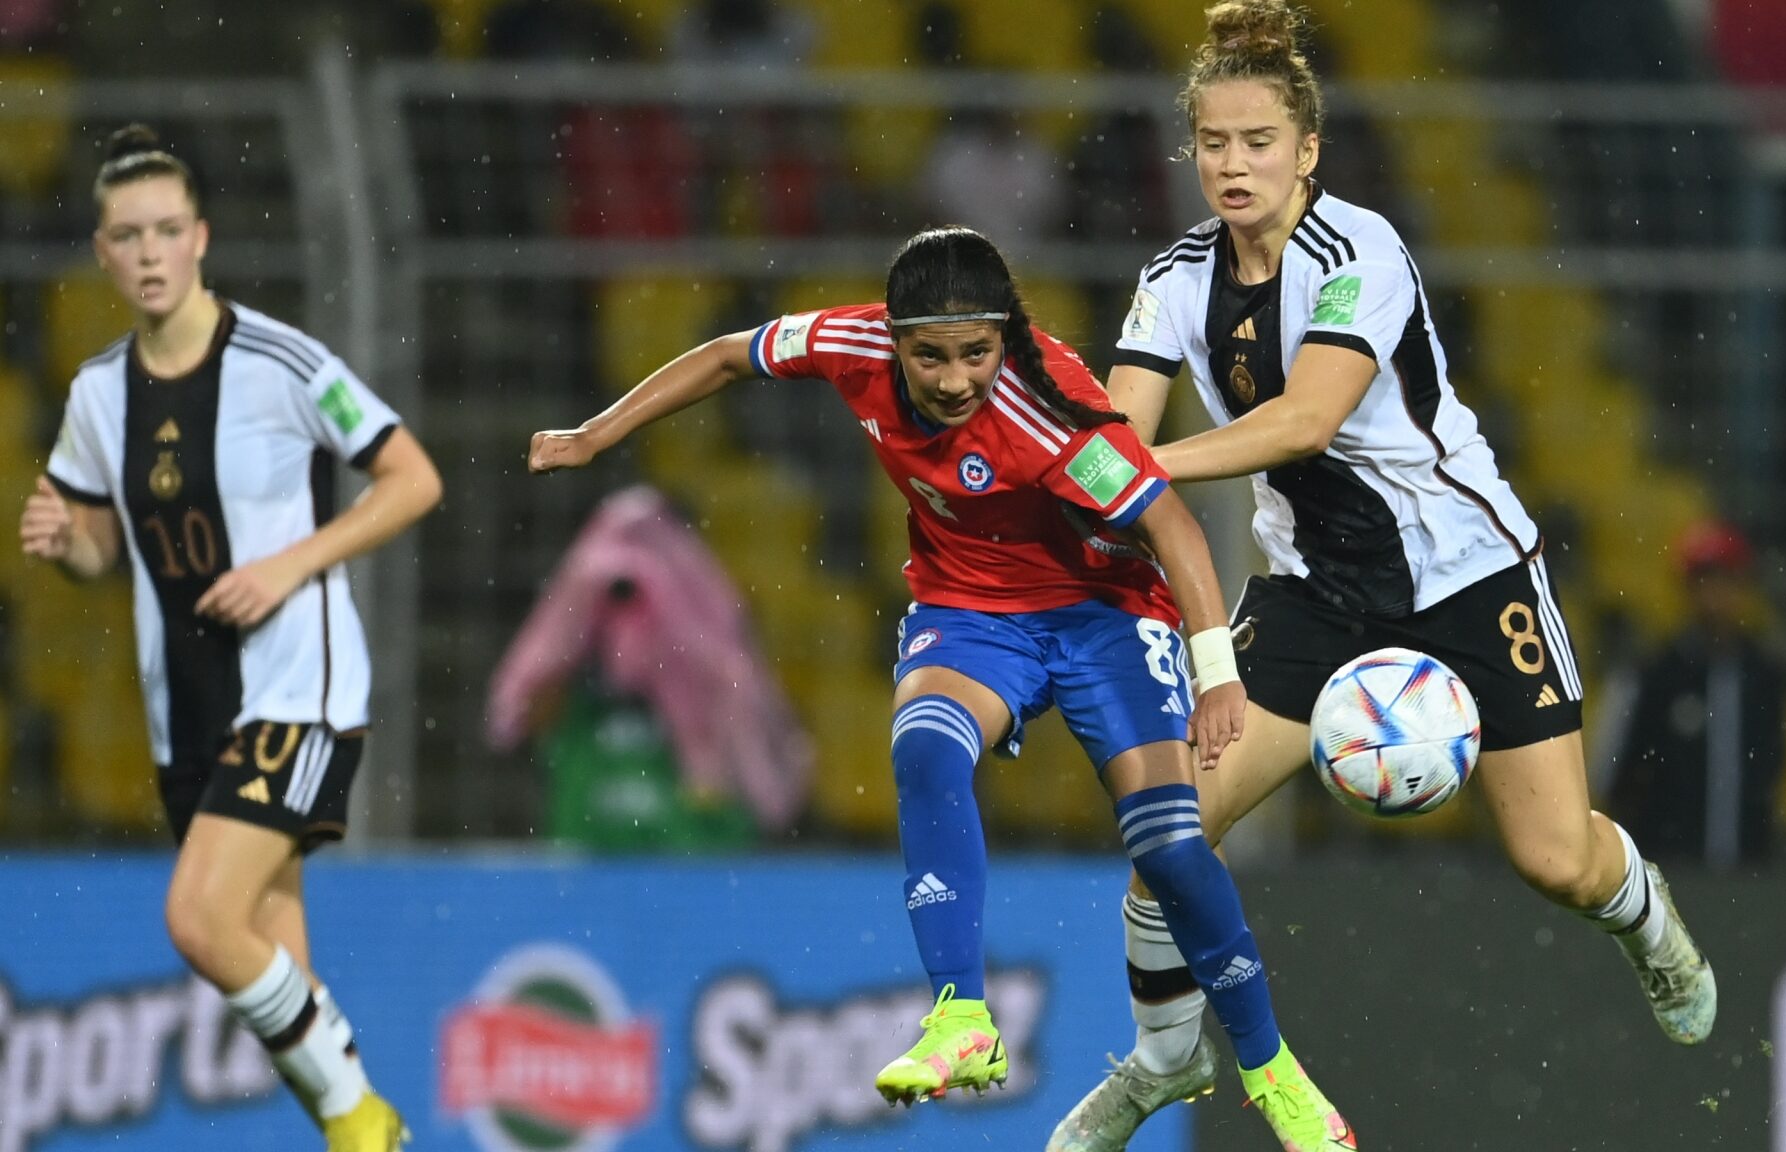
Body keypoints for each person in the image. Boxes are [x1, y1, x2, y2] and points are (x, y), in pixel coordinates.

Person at [1049, 4, 1718, 1148]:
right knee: (1165, 830)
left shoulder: (1358, 253)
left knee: (1552, 859)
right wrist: (1071, 481)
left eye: (1257, 142)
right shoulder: (1170, 280)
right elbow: (1112, 426)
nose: (1232, 165)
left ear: (1305, 150)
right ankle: (1164, 1063)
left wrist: (1135, 471)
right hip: (1313, 590)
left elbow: (1304, 422)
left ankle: (1646, 918)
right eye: (1212, 144)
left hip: (1464, 576)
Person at [529, 226, 1357, 1149]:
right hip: (968, 610)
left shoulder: (1052, 417)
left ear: (1006, 336)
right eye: (932, 355)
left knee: (1168, 845)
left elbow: (1175, 528)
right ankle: (962, 1017)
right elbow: (728, 357)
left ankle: (1266, 1065)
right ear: (894, 338)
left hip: (1105, 615)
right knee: (924, 745)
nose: (957, 378)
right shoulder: (850, 346)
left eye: (978, 352)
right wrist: (595, 434)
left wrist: (1215, 674)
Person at [20, 125, 442, 1152]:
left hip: (299, 685)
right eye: (130, 235)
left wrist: (292, 563)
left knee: (200, 921)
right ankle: (365, 1131)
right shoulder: (94, 396)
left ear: (202, 237)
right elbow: (100, 548)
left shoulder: (280, 360)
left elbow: (413, 478)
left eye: (169, 228)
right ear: (103, 254)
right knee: (272, 961)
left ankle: (359, 1121)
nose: (152, 252)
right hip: (191, 708)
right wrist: (64, 540)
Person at [1604, 519, 1786, 869]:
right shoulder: (1655, 675)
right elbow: (1616, 772)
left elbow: (1782, 765)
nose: (1715, 595)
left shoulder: (1765, 676)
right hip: (1669, 869)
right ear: (1687, 588)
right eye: (1705, 581)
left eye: (1726, 581)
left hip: (1751, 868)